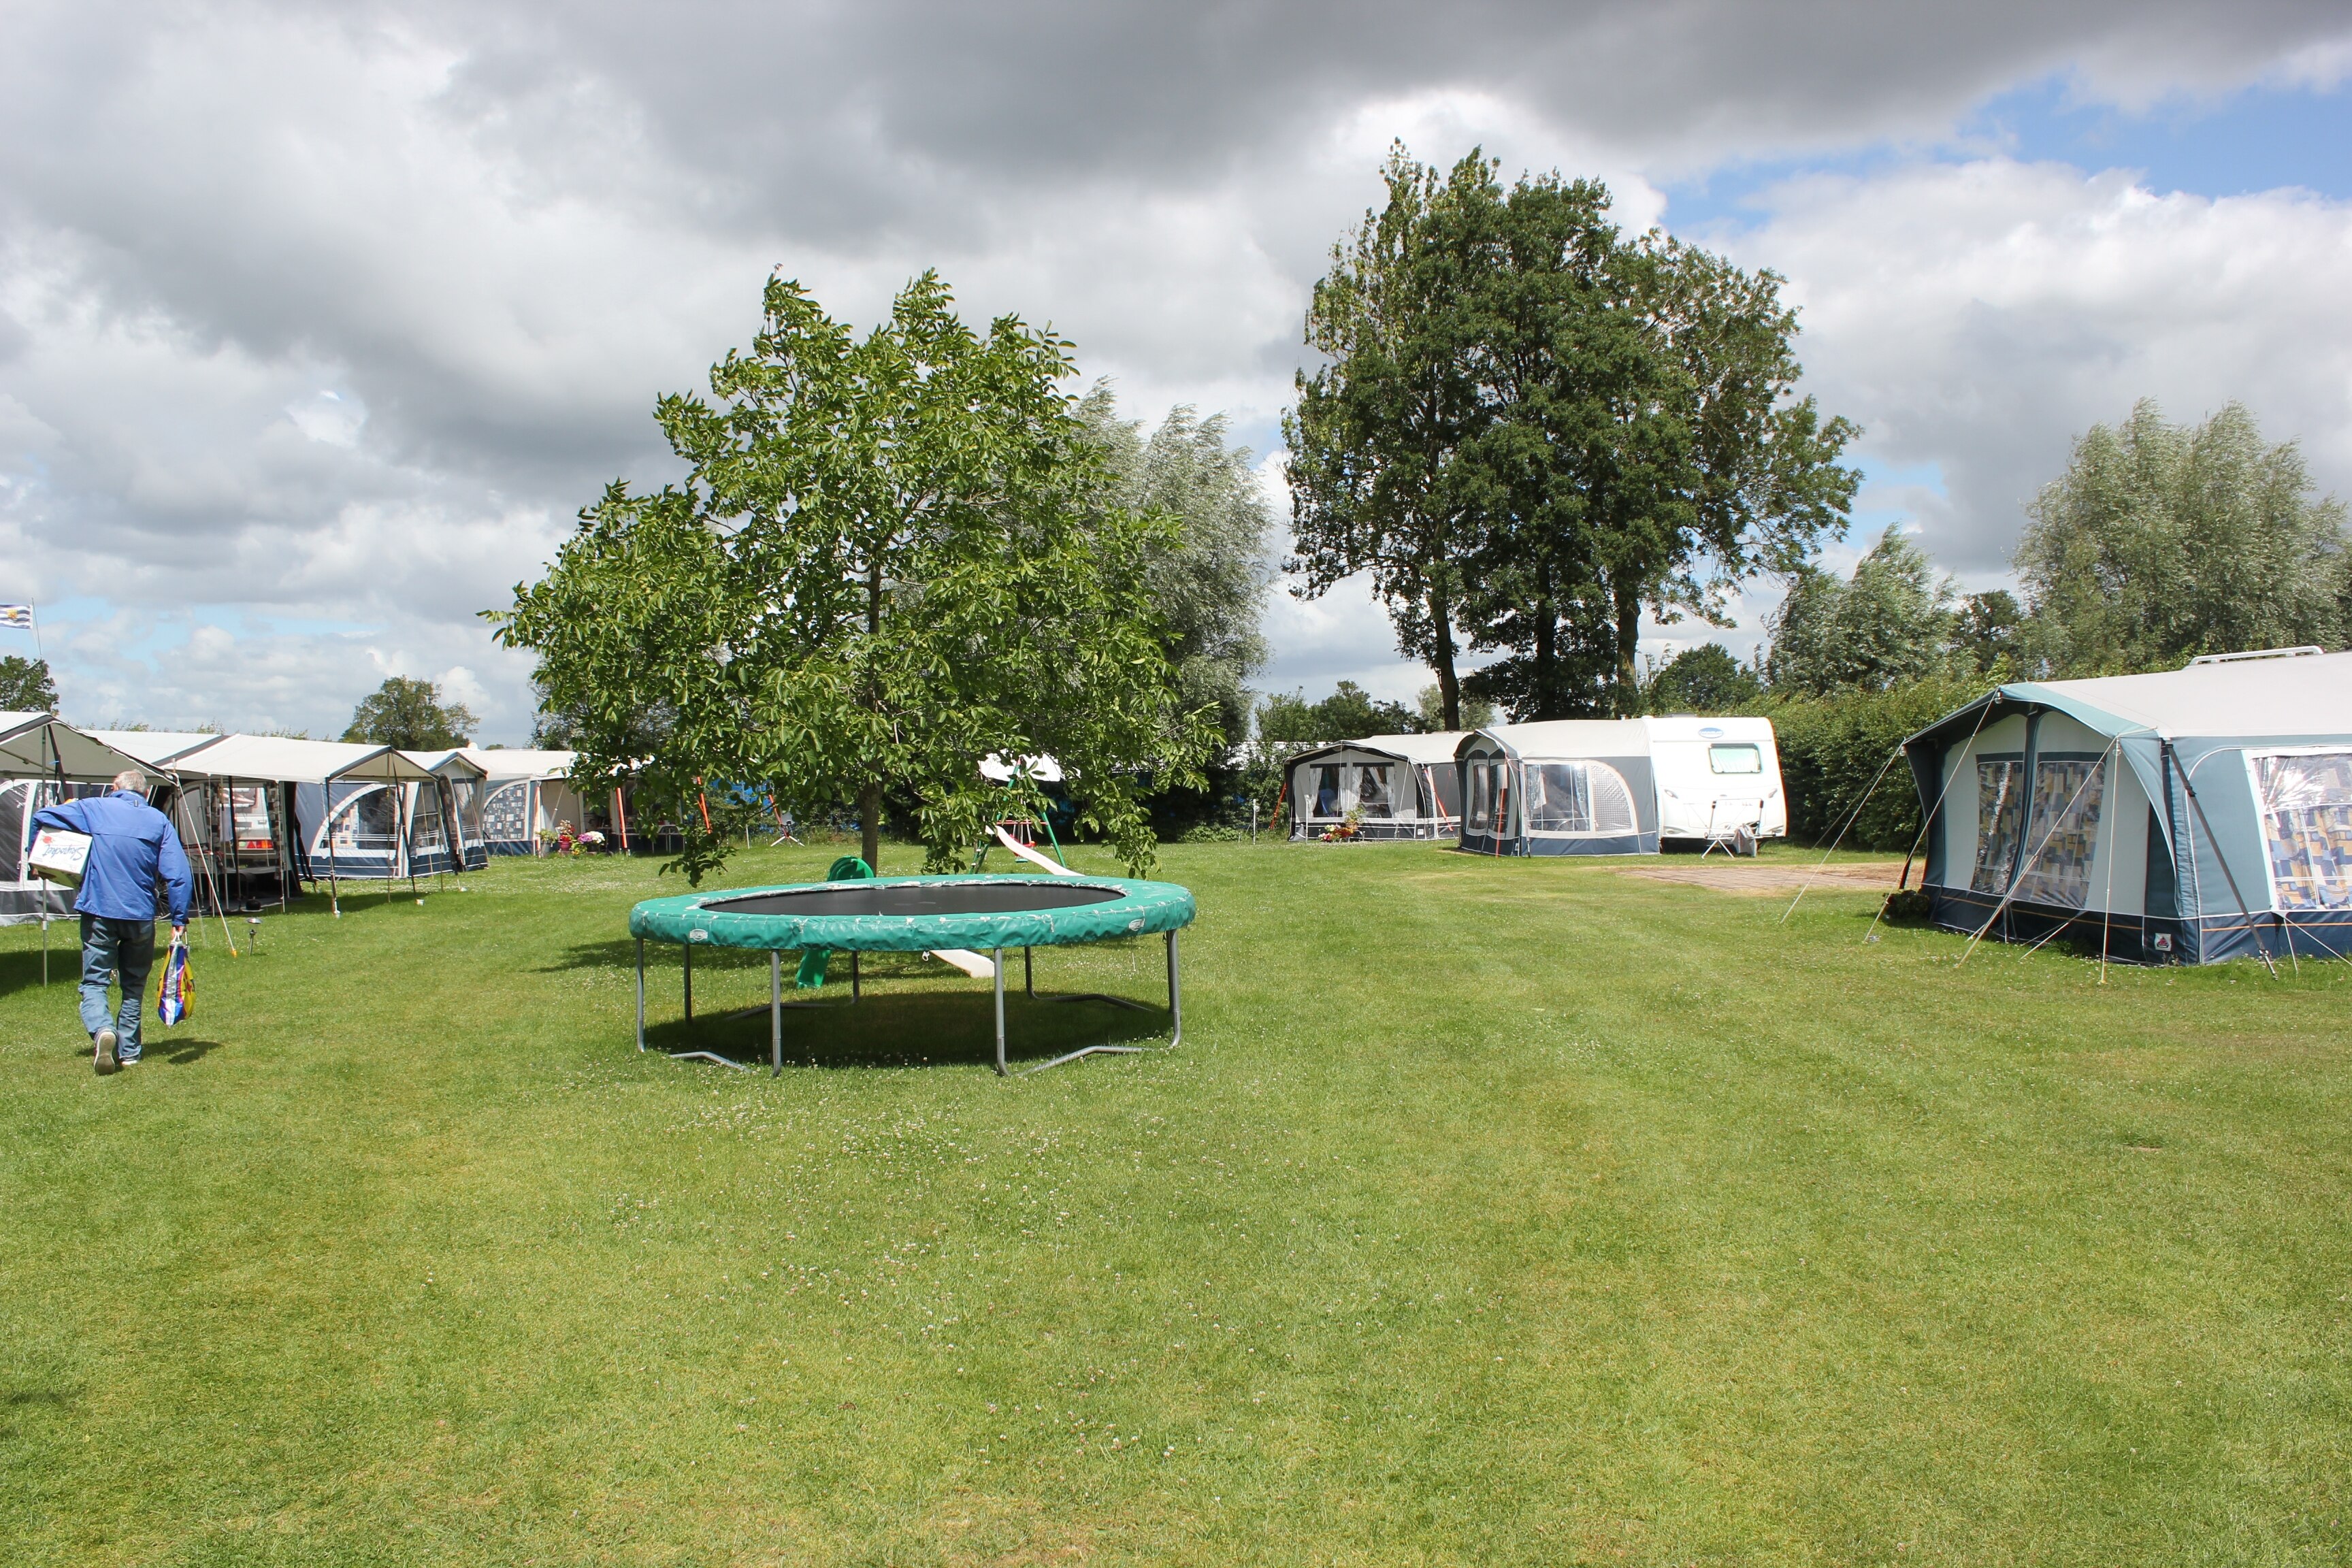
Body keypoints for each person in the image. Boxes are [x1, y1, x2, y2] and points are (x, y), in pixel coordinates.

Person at [34, 770, 192, 1075]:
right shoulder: (158, 820)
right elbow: (179, 874)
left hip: (100, 912)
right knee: (133, 986)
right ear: (145, 794)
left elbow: (44, 816)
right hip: (140, 916)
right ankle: (129, 1052)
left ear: (114, 788)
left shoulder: (94, 807)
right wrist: (179, 918)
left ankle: (103, 1029)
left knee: (95, 982)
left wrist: (39, 860)